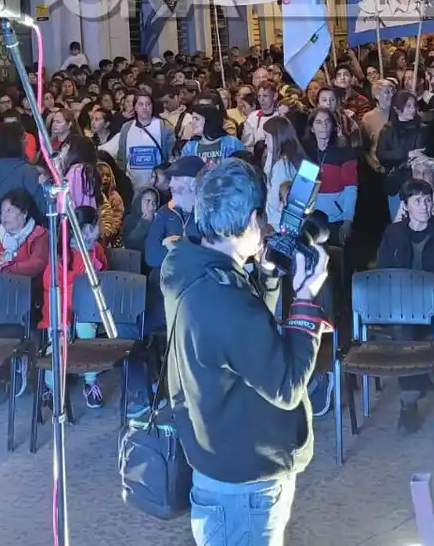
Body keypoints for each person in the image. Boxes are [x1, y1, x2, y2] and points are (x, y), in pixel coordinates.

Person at [159, 159, 330, 545]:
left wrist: (268, 277)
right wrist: (304, 299)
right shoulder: (225, 300)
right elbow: (285, 385)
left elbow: (245, 340)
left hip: (216, 454)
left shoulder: (188, 265)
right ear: (253, 219)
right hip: (245, 481)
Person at [376, 178, 434, 434]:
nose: (424, 206)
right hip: (399, 307)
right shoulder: (393, 233)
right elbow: (383, 273)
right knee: (403, 324)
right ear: (405, 205)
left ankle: (408, 402)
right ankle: (416, 384)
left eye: (428, 200)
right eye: (417, 201)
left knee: (403, 329)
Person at [38, 204, 109, 410]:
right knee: (57, 341)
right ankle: (52, 387)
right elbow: (50, 285)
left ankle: (90, 383)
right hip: (59, 309)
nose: (100, 228)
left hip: (85, 309)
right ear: (87, 228)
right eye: (97, 224)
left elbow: (103, 279)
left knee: (87, 333)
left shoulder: (97, 250)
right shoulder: (61, 254)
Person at [301, 108, 359, 244]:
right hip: (310, 218)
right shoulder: (306, 152)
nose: (323, 126)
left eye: (327, 122)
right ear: (312, 128)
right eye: (319, 122)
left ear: (333, 127)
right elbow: (304, 186)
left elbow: (350, 189)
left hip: (336, 219)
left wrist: (348, 220)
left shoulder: (344, 152)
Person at [101, 89, 175, 191]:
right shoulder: (126, 128)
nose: (145, 107)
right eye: (141, 104)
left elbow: (171, 157)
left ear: (152, 106)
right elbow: (121, 158)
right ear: (135, 107)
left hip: (157, 187)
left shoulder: (164, 127)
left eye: (148, 104)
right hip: (131, 186)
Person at [0, 190, 50, 280]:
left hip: (27, 290)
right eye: (2, 212)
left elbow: (36, 265)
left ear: (24, 213)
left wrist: (2, 268)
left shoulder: (40, 235)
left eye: (9, 211)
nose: (4, 216)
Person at [145, 156, 204, 271]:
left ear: (192, 183)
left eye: (175, 179)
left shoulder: (208, 214)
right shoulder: (165, 211)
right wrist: (191, 249)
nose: (170, 184)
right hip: (164, 282)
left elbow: (210, 257)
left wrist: (174, 246)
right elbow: (152, 257)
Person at [261, 116, 308, 230]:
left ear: (277, 137)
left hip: (277, 224)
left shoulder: (281, 165)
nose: (265, 141)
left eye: (267, 137)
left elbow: (275, 200)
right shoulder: (295, 157)